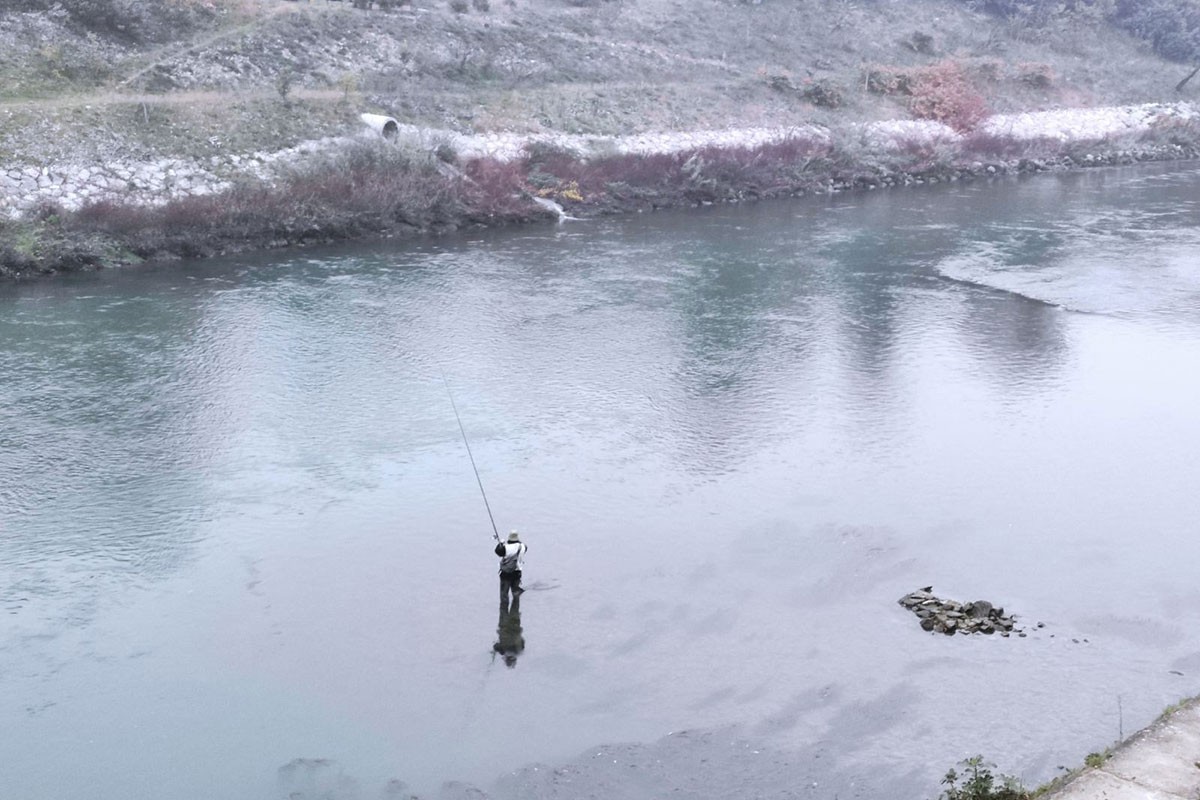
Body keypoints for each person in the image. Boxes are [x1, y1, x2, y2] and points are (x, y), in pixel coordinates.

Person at [494, 529, 527, 599]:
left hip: (506, 573)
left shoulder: (505, 548)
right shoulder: (523, 546)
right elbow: (524, 550)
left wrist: (500, 544)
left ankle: (504, 609)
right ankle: (515, 608)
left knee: (504, 595)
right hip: (517, 573)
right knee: (515, 593)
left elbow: (497, 552)